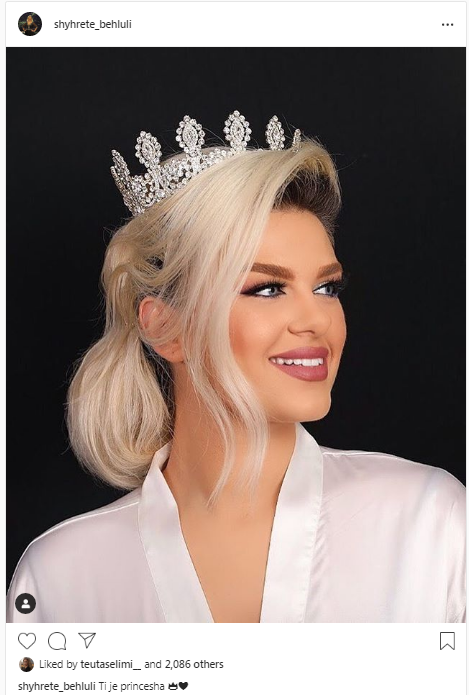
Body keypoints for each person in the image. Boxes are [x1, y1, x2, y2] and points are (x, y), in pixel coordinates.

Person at [7, 111, 465, 623]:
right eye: (267, 289)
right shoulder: (62, 577)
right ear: (167, 328)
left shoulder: (430, 523)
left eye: (326, 287)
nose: (317, 320)